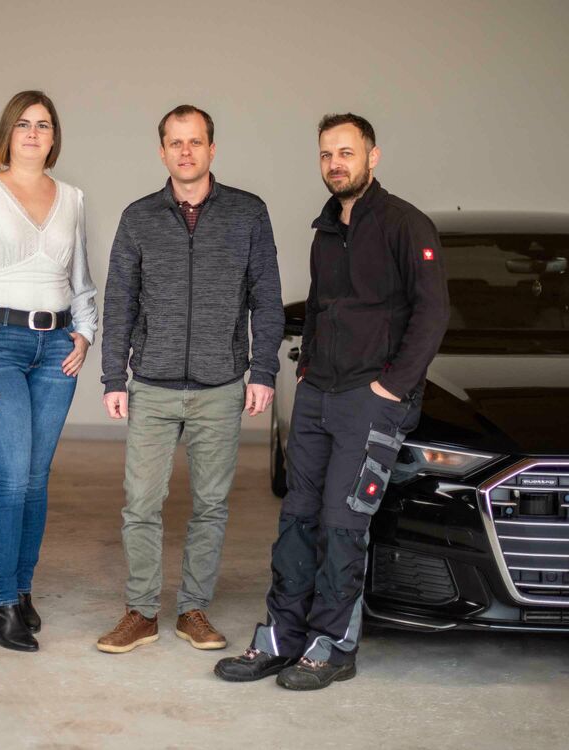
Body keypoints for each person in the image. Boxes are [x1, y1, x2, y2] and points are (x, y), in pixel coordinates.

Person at [215, 113, 449, 690]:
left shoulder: (405, 224)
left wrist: (391, 387)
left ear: (373, 156)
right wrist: (307, 372)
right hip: (319, 393)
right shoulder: (325, 230)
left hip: (371, 399)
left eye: (347, 152)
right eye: (326, 154)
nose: (335, 163)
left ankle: (333, 646)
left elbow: (432, 313)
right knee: (297, 517)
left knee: (343, 523)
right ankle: (281, 635)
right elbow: (321, 308)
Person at [97, 105, 284, 654]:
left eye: (195, 141)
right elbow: (119, 301)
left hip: (220, 385)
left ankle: (193, 610)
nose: (185, 151)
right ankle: (141, 612)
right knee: (140, 504)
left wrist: (263, 370)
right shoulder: (138, 217)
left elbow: (267, 299)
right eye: (175, 143)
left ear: (212, 148)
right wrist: (113, 377)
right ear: (162, 152)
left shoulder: (248, 213)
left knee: (211, 506)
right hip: (152, 386)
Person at [0, 90, 98, 652]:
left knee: (34, 478)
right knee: (8, 478)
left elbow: (80, 277)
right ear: (7, 133)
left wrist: (85, 330)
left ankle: (22, 590)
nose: (33, 133)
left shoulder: (72, 198)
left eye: (44, 125)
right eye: (24, 123)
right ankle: (1, 602)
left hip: (55, 349)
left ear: (55, 137)